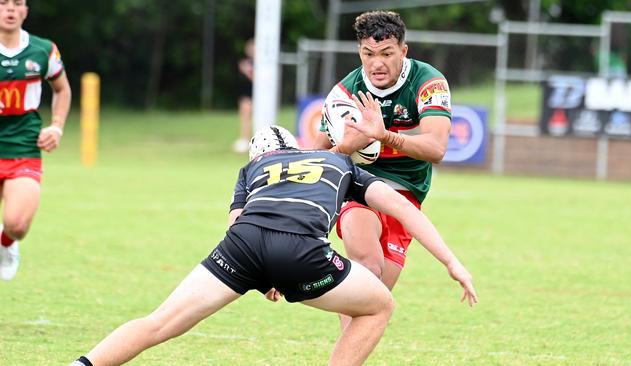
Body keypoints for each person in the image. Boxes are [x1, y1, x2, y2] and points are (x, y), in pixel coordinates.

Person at [70, 126, 477, 366]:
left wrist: (265, 277)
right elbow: (407, 213)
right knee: (379, 305)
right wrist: (452, 262)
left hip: (240, 247)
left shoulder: (253, 169)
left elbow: (236, 224)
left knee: (159, 322)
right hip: (300, 249)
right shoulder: (340, 165)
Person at [314, 10, 453, 292]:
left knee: (376, 297)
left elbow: (436, 148)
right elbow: (316, 158)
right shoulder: (344, 92)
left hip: (406, 193)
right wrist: (346, 147)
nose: (377, 63)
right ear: (359, 52)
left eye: (387, 54)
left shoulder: (428, 82)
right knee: (366, 268)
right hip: (360, 188)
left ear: (403, 50)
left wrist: (383, 136)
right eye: (368, 54)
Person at [0, 0, 72, 281]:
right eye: (3, 3)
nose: (10, 9)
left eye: (17, 3)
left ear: (25, 11)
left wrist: (56, 127)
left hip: (23, 148)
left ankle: (6, 243)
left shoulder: (43, 50)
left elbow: (62, 89)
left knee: (17, 224)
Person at [233, 38, 255, 153]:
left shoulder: (263, 65)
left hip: (256, 95)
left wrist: (249, 71)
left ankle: (252, 140)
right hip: (246, 93)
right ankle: (245, 139)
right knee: (245, 117)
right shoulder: (246, 62)